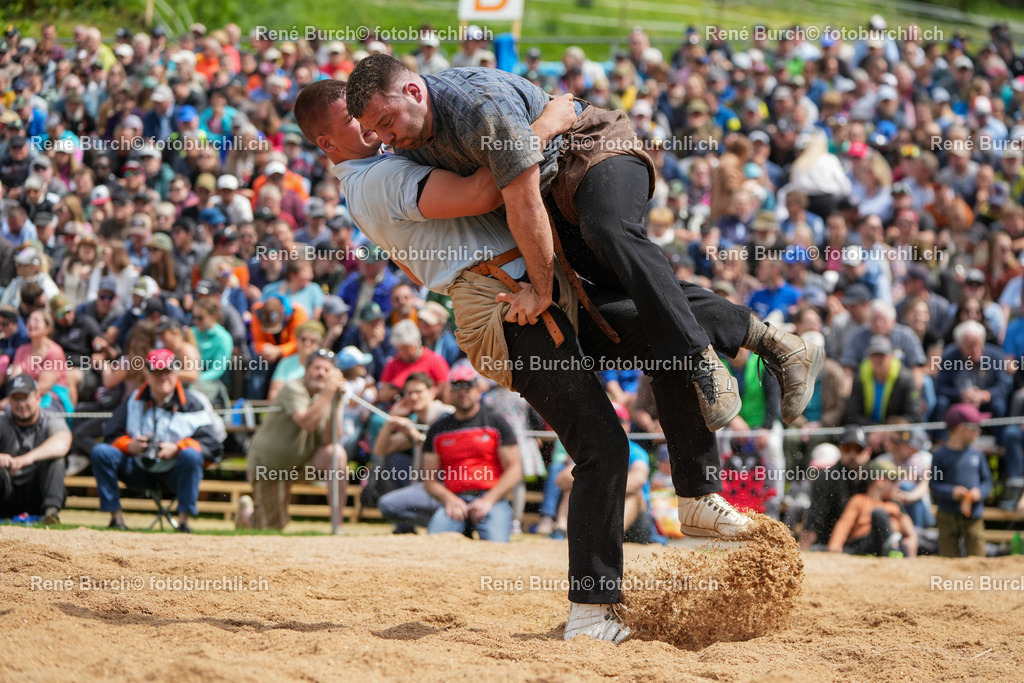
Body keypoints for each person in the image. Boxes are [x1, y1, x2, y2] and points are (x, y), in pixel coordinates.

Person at [293, 79, 813, 644]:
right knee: (603, 447)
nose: (371, 128)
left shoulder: (394, 158)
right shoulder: (375, 179)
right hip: (504, 309)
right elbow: (483, 194)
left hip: (538, 287)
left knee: (666, 324)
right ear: (328, 142)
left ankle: (711, 469)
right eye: (355, 119)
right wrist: (546, 124)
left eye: (373, 115)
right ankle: (591, 611)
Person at [344, 55, 822, 433]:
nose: (386, 138)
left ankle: (702, 359)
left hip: (592, 151)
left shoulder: (475, 105)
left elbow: (522, 197)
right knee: (616, 304)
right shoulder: (409, 140)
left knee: (610, 232)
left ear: (412, 90)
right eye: (375, 131)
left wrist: (541, 286)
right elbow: (495, 190)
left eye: (387, 121)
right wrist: (539, 129)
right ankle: (779, 345)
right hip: (555, 189)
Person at [90, 349, 225, 532]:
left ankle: (184, 522)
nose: (163, 378)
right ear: (147, 374)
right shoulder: (133, 400)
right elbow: (110, 435)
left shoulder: (193, 403)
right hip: (138, 468)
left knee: (192, 456)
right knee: (100, 452)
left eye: (168, 372)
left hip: (175, 471)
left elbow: (213, 446)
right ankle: (117, 520)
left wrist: (178, 449)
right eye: (157, 372)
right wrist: (129, 445)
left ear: (176, 372)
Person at [244, 349, 348, 530]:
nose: (321, 373)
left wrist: (336, 401)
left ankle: (336, 526)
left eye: (327, 370)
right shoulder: (292, 387)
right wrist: (329, 392)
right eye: (317, 368)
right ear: (306, 369)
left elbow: (331, 439)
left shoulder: (328, 395)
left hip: (302, 463)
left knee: (336, 454)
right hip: (270, 466)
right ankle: (245, 514)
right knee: (270, 527)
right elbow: (307, 422)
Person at [422, 366, 521, 542]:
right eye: (456, 386)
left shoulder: (495, 422)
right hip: (454, 499)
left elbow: (515, 469)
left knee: (496, 548)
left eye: (467, 386)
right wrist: (448, 499)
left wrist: (489, 500)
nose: (462, 392)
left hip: (491, 498)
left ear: (478, 389)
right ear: (449, 391)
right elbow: (429, 478)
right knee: (434, 545)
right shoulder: (437, 429)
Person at [0, 375, 71, 525]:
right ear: (9, 401)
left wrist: (27, 458)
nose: (21, 404)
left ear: (38, 398)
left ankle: (51, 514)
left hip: (37, 492)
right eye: (16, 399)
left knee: (57, 460)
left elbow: (63, 442)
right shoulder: (2, 421)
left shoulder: (51, 419)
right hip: (7, 494)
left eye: (25, 398)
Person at [931, 403, 993, 557]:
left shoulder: (977, 455)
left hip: (973, 515)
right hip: (947, 514)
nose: (978, 432)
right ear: (961, 428)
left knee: (978, 556)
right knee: (948, 557)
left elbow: (987, 482)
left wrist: (980, 492)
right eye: (975, 427)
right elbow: (934, 485)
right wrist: (952, 492)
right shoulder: (940, 456)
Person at [800, 425, 872, 550]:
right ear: (840, 450)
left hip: (864, 542)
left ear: (868, 452)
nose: (853, 454)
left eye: (858, 449)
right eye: (847, 448)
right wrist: (803, 551)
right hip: (827, 544)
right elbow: (814, 518)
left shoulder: (874, 478)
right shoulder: (826, 479)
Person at [827, 458, 917, 558]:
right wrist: (835, 545)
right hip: (865, 543)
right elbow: (845, 523)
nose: (897, 485)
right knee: (879, 514)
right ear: (880, 481)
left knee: (894, 533)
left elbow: (909, 529)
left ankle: (892, 549)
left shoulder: (895, 504)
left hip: (894, 543)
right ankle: (891, 550)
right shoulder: (859, 500)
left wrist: (912, 539)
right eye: (893, 480)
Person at [846, 336, 922, 426]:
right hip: (868, 431)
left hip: (896, 431)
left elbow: (914, 415)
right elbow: (852, 415)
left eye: (882, 356)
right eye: (874, 355)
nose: (878, 360)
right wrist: (875, 428)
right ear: (869, 358)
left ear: (891, 357)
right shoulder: (860, 378)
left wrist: (889, 430)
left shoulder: (906, 379)